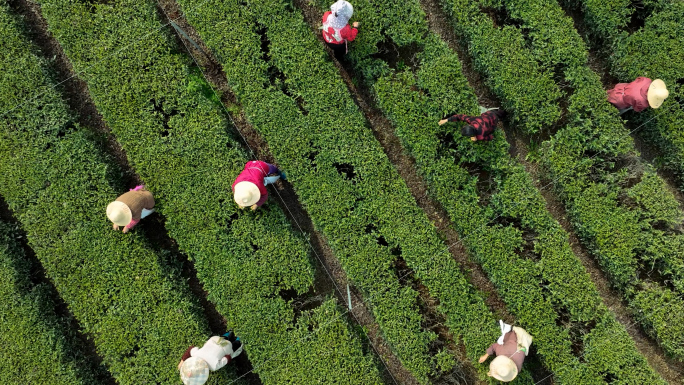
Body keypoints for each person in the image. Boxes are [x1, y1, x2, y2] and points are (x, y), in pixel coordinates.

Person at [178, 332, 243, 385]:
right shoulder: (195, 355)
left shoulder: (213, 366)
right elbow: (190, 349)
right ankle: (228, 334)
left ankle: (237, 341)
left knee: (232, 352)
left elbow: (227, 358)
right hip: (215, 339)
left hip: (227, 346)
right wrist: (182, 361)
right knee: (218, 340)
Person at [438, 107, 505, 142]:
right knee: (499, 113)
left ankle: (503, 114)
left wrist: (477, 139)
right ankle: (503, 112)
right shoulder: (473, 121)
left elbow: (491, 137)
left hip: (494, 122)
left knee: (497, 117)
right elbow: (459, 117)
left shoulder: (480, 136)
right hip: (489, 114)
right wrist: (446, 120)